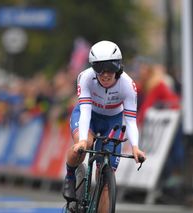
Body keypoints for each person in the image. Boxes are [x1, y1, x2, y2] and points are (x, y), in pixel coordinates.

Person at [63, 40, 146, 212]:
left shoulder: (128, 85)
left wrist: (135, 147)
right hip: (90, 115)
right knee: (83, 145)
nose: (105, 74)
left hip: (113, 120)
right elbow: (85, 111)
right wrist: (83, 141)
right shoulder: (85, 77)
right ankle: (70, 176)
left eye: (110, 69)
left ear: (118, 67)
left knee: (106, 178)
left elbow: (130, 119)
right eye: (100, 69)